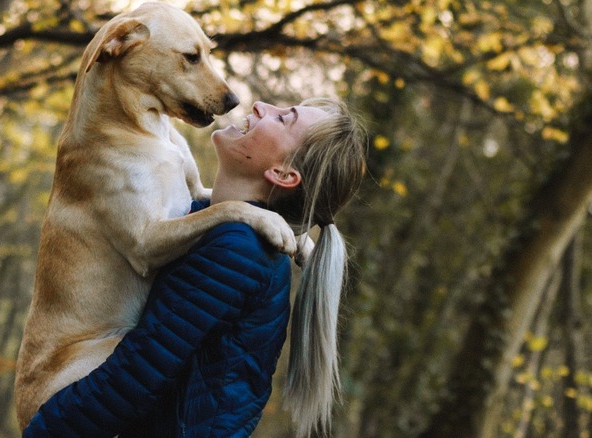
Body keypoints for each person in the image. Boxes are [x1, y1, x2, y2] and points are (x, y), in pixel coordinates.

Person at [23, 96, 366, 437]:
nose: (263, 106)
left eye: (282, 119)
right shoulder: (214, 229)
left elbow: (138, 373)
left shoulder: (239, 249)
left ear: (282, 173)